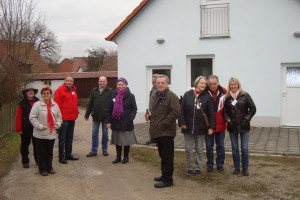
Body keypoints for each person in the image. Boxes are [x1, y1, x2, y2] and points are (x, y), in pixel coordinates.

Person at [179, 76, 215, 175]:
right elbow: (181, 110)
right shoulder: (188, 94)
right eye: (201, 83)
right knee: (188, 149)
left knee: (199, 149)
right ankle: (189, 167)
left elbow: (211, 113)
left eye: (205, 83)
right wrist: (182, 122)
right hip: (188, 127)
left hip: (201, 127)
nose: (203, 85)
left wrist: (211, 127)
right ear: (196, 83)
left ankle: (198, 167)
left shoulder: (207, 97)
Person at [149, 75, 180, 188]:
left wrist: (163, 123)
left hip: (166, 132)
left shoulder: (171, 96)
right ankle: (164, 175)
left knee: (167, 157)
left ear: (167, 84)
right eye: (158, 83)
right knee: (162, 155)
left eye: (162, 83)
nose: (160, 84)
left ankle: (168, 180)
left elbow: (176, 112)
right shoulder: (157, 95)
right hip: (158, 132)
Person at [223, 77, 256, 176]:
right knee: (235, 148)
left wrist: (247, 118)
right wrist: (227, 119)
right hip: (232, 125)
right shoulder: (227, 98)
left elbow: (253, 108)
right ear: (229, 86)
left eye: (235, 84)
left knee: (244, 148)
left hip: (244, 125)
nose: (233, 86)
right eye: (231, 85)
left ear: (238, 85)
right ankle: (237, 167)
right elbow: (224, 112)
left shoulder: (245, 95)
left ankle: (245, 168)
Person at [29, 85, 62, 176]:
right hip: (40, 133)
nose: (46, 95)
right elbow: (32, 117)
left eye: (48, 93)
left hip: (51, 133)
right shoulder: (37, 105)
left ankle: (49, 167)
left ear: (51, 94)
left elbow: (59, 116)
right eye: (44, 93)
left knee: (49, 152)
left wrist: (58, 124)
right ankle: (42, 169)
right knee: (42, 152)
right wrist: (39, 126)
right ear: (41, 94)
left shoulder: (55, 105)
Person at [107, 78, 137, 164]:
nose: (120, 86)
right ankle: (118, 157)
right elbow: (109, 109)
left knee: (126, 140)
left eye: (122, 84)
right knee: (118, 140)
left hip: (127, 121)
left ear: (125, 85)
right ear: (117, 85)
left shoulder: (131, 96)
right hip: (116, 121)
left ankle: (126, 157)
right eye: (119, 84)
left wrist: (131, 117)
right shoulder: (113, 95)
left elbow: (134, 108)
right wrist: (109, 121)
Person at [85, 76, 114, 157]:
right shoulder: (94, 90)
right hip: (96, 115)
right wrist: (87, 114)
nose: (102, 83)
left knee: (105, 133)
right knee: (94, 133)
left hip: (106, 116)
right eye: (101, 81)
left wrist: (111, 118)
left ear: (106, 82)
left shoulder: (110, 91)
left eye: (104, 81)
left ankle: (104, 150)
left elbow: (113, 105)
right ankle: (93, 150)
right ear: (98, 82)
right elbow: (90, 102)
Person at [54, 76, 79, 164]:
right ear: (64, 81)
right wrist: (58, 119)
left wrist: (76, 114)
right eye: (68, 81)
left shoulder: (74, 91)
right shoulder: (59, 91)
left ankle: (68, 154)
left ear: (73, 82)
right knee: (62, 138)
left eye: (71, 81)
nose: (69, 82)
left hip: (72, 118)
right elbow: (56, 106)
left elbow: (75, 104)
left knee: (70, 137)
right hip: (64, 119)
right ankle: (61, 157)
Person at [205, 75, 227, 172]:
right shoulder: (204, 92)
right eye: (210, 84)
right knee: (209, 146)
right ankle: (210, 164)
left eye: (214, 84)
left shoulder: (224, 92)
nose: (212, 86)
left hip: (221, 124)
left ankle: (220, 164)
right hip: (208, 125)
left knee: (220, 145)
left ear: (218, 83)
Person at [15, 85, 39, 168]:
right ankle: (25, 161)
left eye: (32, 91)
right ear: (26, 93)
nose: (31, 93)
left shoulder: (38, 102)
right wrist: (19, 129)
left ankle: (38, 160)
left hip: (36, 127)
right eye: (29, 91)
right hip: (26, 127)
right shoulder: (21, 104)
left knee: (37, 145)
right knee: (25, 145)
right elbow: (18, 117)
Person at [145, 74, 159, 145]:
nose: (151, 79)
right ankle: (153, 138)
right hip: (151, 109)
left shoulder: (158, 88)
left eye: (152, 78)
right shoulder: (153, 87)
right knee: (152, 125)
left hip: (156, 110)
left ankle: (157, 140)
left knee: (157, 125)